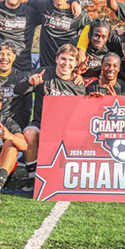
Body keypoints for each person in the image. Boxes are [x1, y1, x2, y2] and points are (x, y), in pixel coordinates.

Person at [15, 44, 86, 190]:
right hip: (41, 123)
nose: (66, 63)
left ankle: (66, 175)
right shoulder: (42, 73)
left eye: (70, 60)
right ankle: (32, 177)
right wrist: (30, 82)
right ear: (56, 59)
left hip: (64, 130)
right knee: (29, 133)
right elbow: (17, 89)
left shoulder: (78, 84)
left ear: (76, 63)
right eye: (63, 59)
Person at [27, 0, 89, 67]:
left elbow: (92, 29)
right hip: (47, 65)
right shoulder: (44, 5)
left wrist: (82, 50)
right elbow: (22, 1)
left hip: (67, 65)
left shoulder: (78, 13)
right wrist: (0, 3)